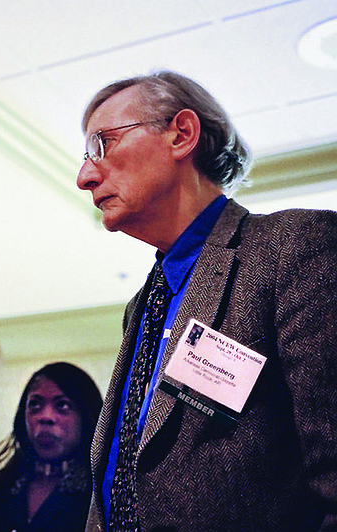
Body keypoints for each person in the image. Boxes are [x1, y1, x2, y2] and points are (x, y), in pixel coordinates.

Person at [76, 70, 337, 532]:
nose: (84, 176)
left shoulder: (292, 247)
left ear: (182, 134)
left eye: (103, 144)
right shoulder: (142, 307)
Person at [0, 362, 102, 532]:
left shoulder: (100, 496)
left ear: (86, 417)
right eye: (35, 405)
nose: (45, 417)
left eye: (62, 405)